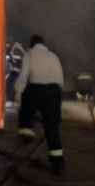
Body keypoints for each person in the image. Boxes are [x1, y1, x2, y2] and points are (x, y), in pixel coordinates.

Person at [14, 35, 65, 175]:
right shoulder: (53, 56)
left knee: (26, 108)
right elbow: (60, 79)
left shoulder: (29, 54)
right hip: (54, 92)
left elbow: (23, 76)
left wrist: (18, 94)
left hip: (36, 90)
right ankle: (58, 163)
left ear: (32, 44)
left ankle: (26, 131)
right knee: (52, 128)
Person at [5, 41, 25, 106]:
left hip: (15, 73)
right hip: (14, 73)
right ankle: (11, 100)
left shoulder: (16, 52)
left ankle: (11, 100)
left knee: (12, 84)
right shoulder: (11, 53)